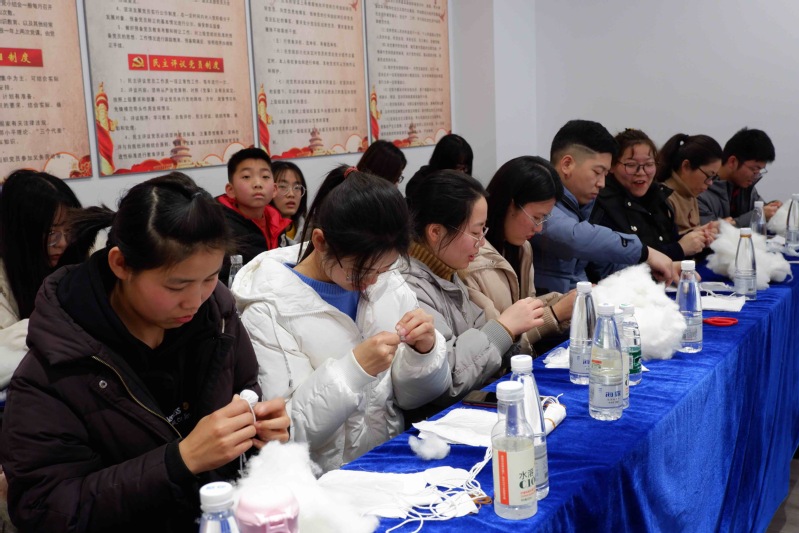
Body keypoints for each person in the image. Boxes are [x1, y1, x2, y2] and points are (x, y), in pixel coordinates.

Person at [0, 172, 290, 532]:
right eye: (177, 286)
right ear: (121, 264)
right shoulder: (52, 371)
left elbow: (245, 392)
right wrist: (179, 460)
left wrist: (262, 432)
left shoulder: (216, 317)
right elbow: (44, 509)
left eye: (209, 278)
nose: (195, 300)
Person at [232, 166, 449, 472]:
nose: (372, 281)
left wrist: (424, 352)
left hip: (387, 464)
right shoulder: (269, 307)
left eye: (383, 268)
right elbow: (286, 431)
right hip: (320, 483)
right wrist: (354, 370)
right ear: (321, 242)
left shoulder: (389, 284)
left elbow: (411, 399)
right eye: (361, 271)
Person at [404, 169, 544, 421]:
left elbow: (478, 333)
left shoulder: (447, 271)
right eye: (476, 232)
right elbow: (446, 379)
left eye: (484, 231)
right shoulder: (408, 288)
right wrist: (504, 328)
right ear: (435, 232)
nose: (481, 244)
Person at [531, 120, 675, 295]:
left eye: (605, 174)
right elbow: (574, 237)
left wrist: (650, 270)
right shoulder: (536, 196)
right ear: (567, 164)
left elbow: (604, 266)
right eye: (597, 172)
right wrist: (644, 252)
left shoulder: (581, 206)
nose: (602, 183)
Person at [464, 156, 576, 355]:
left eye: (544, 218)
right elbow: (494, 342)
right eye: (536, 217)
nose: (539, 228)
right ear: (510, 204)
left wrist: (565, 300)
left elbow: (526, 308)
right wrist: (555, 314)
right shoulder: (470, 259)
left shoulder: (522, 248)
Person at [0, 170, 92, 413]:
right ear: (20, 234)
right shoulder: (4, 277)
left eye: (69, 230)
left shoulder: (83, 257)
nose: (63, 243)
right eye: (51, 233)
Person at [590, 129, 711, 261]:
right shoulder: (601, 204)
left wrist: (698, 239)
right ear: (612, 166)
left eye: (648, 164)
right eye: (631, 165)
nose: (641, 172)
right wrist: (680, 248)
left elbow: (668, 243)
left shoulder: (659, 197)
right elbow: (619, 260)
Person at [217, 147, 291, 284]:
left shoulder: (277, 223)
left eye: (265, 177)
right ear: (231, 190)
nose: (257, 184)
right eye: (246, 177)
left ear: (274, 189)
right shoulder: (219, 226)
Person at [698, 127, 778, 226]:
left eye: (760, 171)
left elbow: (762, 210)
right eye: (754, 169)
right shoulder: (701, 190)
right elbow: (709, 231)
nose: (756, 176)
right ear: (732, 162)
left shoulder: (747, 189)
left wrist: (772, 208)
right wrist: (758, 215)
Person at [655, 133, 723, 234]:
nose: (710, 183)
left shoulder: (690, 195)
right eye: (709, 175)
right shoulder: (663, 198)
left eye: (714, 177)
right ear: (686, 166)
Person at [404, 133, 473, 199]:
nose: (462, 173)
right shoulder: (419, 185)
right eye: (459, 168)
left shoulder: (465, 184)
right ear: (444, 164)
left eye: (465, 168)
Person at [271, 161, 308, 246]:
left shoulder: (311, 229)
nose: (291, 194)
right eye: (282, 186)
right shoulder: (260, 234)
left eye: (297, 187)